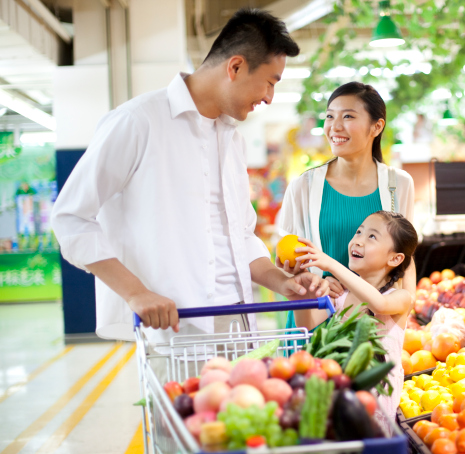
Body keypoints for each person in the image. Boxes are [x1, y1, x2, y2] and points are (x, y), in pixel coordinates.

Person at [50, 8, 328, 344]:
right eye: (270, 82)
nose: (269, 97)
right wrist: (136, 293)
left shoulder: (231, 139)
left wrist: (281, 281)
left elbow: (240, 235)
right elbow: (71, 218)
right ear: (236, 66)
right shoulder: (138, 122)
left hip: (239, 322)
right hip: (177, 331)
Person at [277, 82, 416, 330]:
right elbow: (289, 256)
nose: (334, 126)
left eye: (348, 116)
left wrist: (404, 315)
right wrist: (307, 278)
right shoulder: (303, 187)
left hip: (372, 323)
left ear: (377, 126)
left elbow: (406, 256)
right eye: (330, 116)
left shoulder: (399, 185)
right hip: (314, 319)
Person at [291, 211, 418, 423]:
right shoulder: (341, 295)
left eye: (372, 237)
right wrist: (299, 286)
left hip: (377, 407)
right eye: (359, 232)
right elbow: (305, 323)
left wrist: (331, 264)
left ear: (395, 258)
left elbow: (378, 303)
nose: (358, 240)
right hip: (341, 397)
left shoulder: (399, 298)